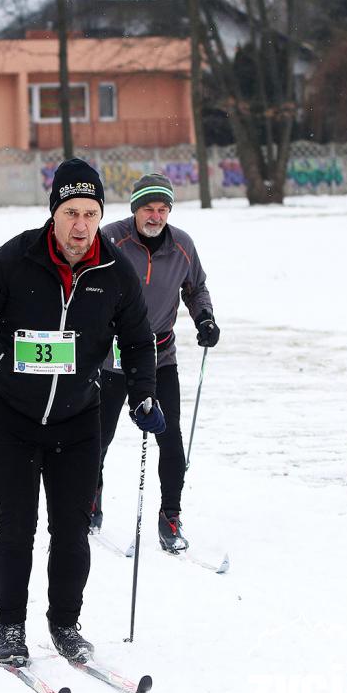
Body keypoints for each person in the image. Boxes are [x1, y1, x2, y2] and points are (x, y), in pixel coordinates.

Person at [0, 157, 165, 667]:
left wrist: (144, 394)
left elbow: (137, 342)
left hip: (78, 420)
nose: (81, 225)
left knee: (72, 529)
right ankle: (9, 626)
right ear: (54, 212)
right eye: (71, 212)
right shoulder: (18, 257)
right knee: (16, 527)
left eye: (91, 213)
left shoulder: (115, 271)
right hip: (13, 416)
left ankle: (65, 624)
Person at [91, 173, 219, 551]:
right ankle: (90, 499)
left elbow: (196, 289)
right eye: (149, 208)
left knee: (170, 436)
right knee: (98, 437)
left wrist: (205, 318)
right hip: (110, 357)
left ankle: (171, 516)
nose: (156, 216)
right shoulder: (110, 238)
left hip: (160, 355)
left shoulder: (182, 246)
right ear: (135, 209)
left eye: (163, 209)